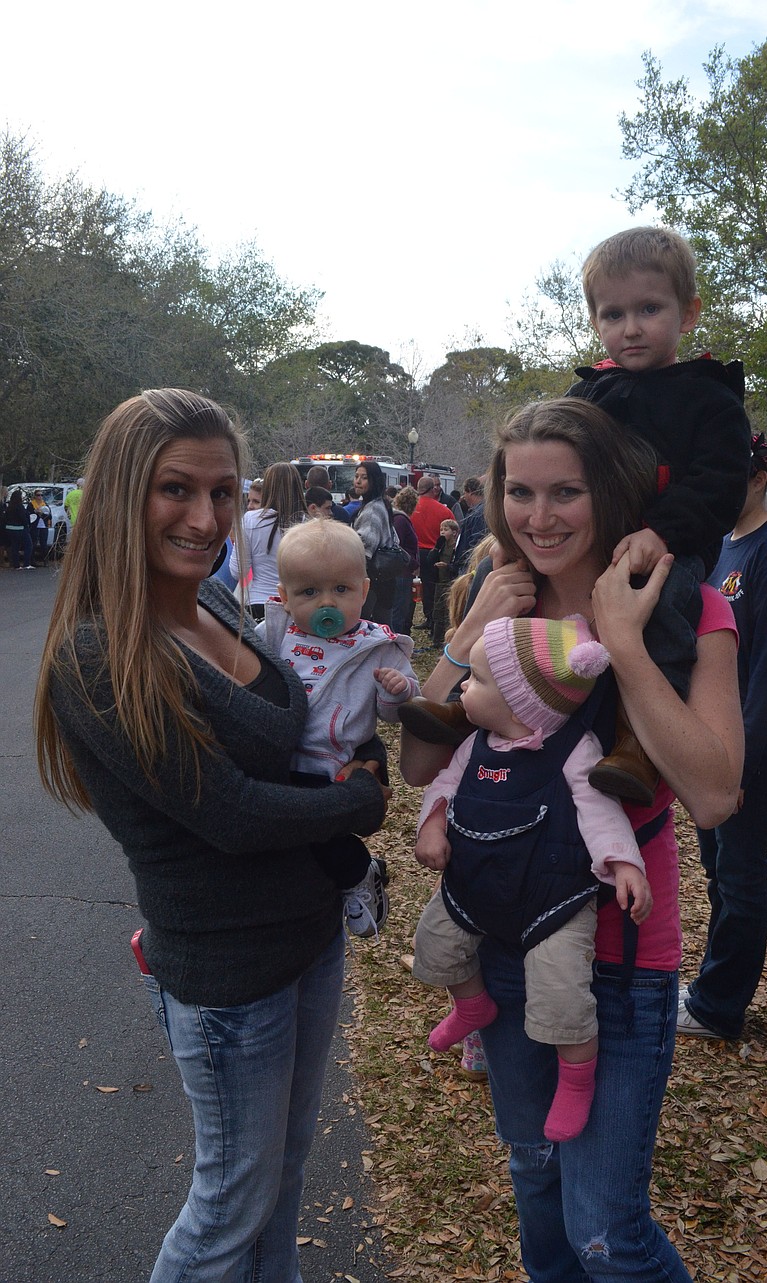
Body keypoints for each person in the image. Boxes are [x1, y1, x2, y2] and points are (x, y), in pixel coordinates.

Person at [34, 388, 389, 1283]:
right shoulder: (100, 652)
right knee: (230, 1204)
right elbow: (232, 812)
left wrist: (369, 733)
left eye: (224, 492)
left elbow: (307, 721)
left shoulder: (221, 604)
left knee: (283, 1180)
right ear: (122, 495)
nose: (205, 517)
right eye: (176, 489)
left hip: (308, 937)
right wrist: (358, 802)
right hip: (229, 971)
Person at [400, 397, 743, 1282]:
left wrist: (622, 640)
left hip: (621, 963)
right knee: (538, 1185)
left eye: (566, 492)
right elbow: (419, 761)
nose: (539, 517)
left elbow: (714, 794)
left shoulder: (689, 607)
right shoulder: (489, 597)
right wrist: (467, 634)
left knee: (607, 1235)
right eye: (520, 492)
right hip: (503, 941)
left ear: (612, 492)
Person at [413, 614, 652, 1142]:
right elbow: (443, 786)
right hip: (476, 884)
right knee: (435, 943)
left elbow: (600, 810)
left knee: (562, 992)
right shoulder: (475, 744)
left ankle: (576, 1077)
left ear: (519, 704)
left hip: (553, 897)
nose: (464, 688)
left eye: (476, 679)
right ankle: (472, 1004)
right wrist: (432, 824)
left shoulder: (574, 749)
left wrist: (624, 864)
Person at [567, 226, 751, 803]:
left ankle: (639, 744)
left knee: (666, 606)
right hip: (588, 543)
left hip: (670, 550)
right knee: (504, 580)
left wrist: (660, 532)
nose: (631, 327)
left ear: (687, 313)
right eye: (613, 314)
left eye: (649, 309)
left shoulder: (710, 399)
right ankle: (478, 695)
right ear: (595, 321)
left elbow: (718, 485)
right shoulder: (588, 395)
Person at [678, 433, 767, 1041]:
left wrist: (740, 766)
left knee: (740, 875)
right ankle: (713, 984)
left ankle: (719, 1007)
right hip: (712, 735)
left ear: (758, 478)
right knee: (717, 869)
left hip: (750, 739)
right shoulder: (725, 543)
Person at [257, 518, 420, 935]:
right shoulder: (274, 635)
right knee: (291, 838)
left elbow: (393, 714)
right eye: (309, 592)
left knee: (324, 837)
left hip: (336, 763)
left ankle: (359, 875)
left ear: (364, 591)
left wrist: (397, 691)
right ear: (285, 598)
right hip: (282, 758)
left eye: (341, 590)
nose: (326, 603)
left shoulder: (377, 647)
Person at [229, 461, 307, 619]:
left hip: (259, 603)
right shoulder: (310, 524)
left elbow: (238, 571)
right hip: (299, 607)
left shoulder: (250, 520)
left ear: (268, 487)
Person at [352, 460, 403, 627]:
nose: (358, 481)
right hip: (385, 579)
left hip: (373, 580)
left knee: (366, 627)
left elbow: (364, 548)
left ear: (374, 480)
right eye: (356, 476)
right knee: (383, 627)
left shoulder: (373, 510)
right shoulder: (381, 504)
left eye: (364, 478)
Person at [410, 476, 455, 632]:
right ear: (433, 489)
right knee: (432, 589)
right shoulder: (444, 510)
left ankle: (411, 620)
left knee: (413, 589)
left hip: (414, 553)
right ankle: (432, 620)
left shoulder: (410, 508)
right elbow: (454, 530)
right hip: (434, 553)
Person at [390, 486, 420, 636]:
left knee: (398, 611)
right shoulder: (401, 520)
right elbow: (397, 545)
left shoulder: (397, 518)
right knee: (399, 612)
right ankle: (395, 642)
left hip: (400, 571)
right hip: (401, 572)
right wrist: (413, 562)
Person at [428, 518, 460, 648]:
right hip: (439, 581)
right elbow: (430, 560)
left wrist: (448, 566)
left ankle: (448, 640)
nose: (442, 532)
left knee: (448, 612)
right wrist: (436, 547)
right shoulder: (441, 545)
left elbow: (458, 565)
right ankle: (436, 640)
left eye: (446, 529)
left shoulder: (456, 547)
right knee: (437, 611)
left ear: (454, 532)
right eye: (441, 529)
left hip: (451, 581)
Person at [452, 477, 489, 576]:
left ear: (470, 492)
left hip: (470, 567)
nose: (463, 497)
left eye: (465, 493)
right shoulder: (485, 510)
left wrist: (466, 566)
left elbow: (476, 542)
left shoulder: (477, 514)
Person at [5, 488, 36, 569]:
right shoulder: (20, 507)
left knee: (15, 546)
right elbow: (23, 518)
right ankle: (26, 563)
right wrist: (27, 525)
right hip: (20, 528)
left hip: (10, 528)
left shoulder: (9, 507)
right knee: (28, 545)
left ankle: (16, 565)